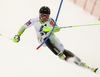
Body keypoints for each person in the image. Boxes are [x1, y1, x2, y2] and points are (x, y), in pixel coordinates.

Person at [13, 6, 98, 73]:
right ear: (39, 14)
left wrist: (50, 29)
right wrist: (18, 35)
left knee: (63, 49)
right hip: (41, 39)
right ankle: (61, 56)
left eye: (46, 16)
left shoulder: (50, 20)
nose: (44, 17)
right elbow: (23, 27)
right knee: (46, 38)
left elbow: (57, 28)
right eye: (42, 15)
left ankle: (83, 65)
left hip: (51, 36)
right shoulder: (34, 20)